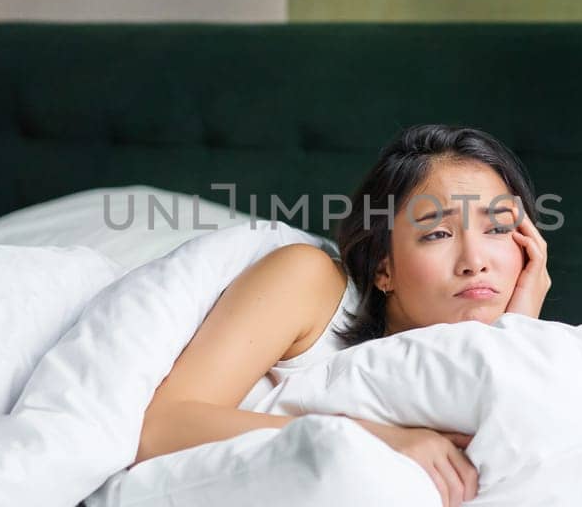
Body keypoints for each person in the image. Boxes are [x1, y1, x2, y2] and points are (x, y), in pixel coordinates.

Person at [135, 124, 551, 507]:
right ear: (383, 268)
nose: (475, 261)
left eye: (497, 228)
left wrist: (516, 335)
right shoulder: (310, 280)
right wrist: (374, 440)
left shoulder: (537, 356)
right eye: (437, 233)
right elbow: (159, 428)